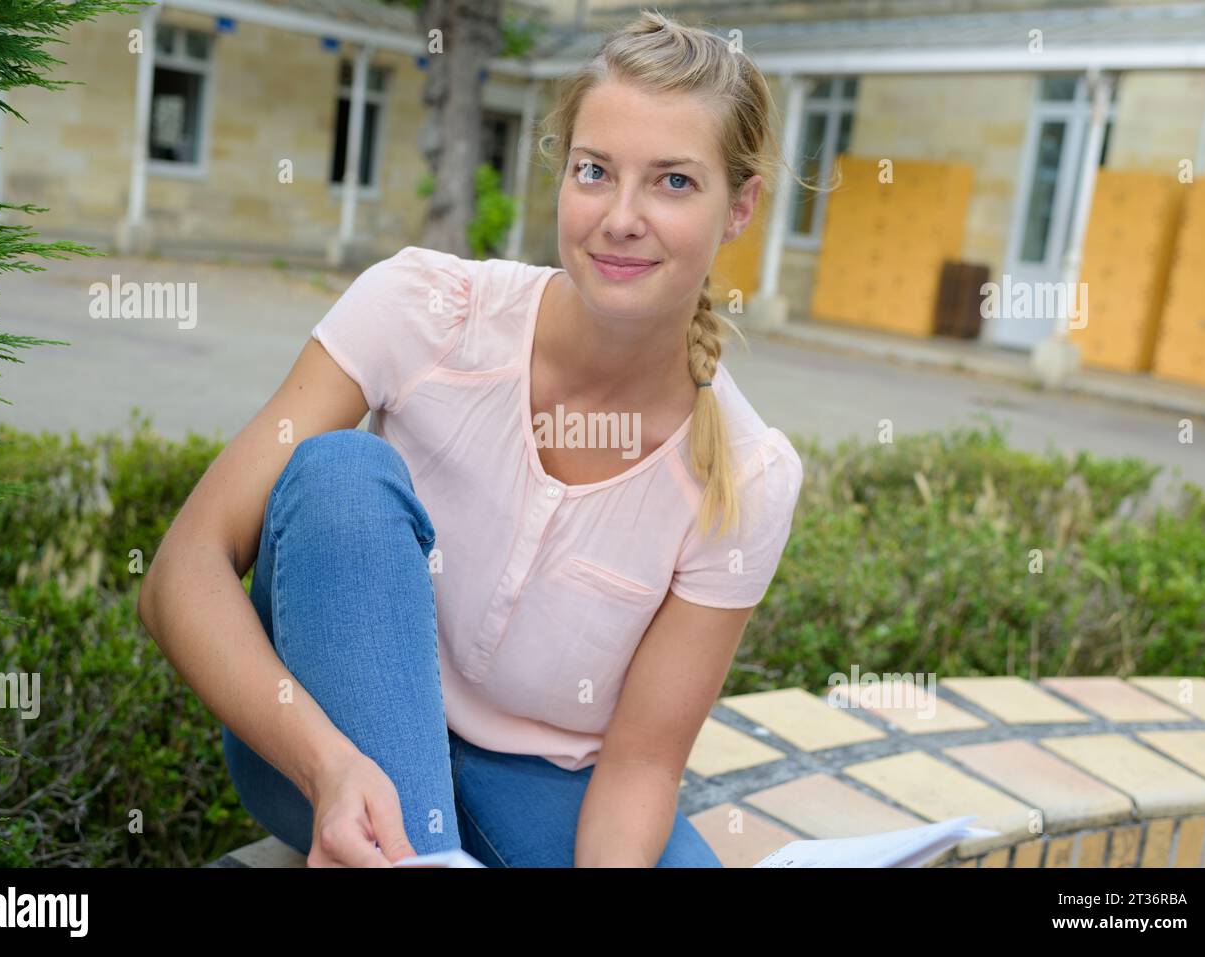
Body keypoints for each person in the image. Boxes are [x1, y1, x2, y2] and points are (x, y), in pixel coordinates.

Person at [138, 9, 808, 868]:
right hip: (326, 744)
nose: (621, 217)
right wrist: (330, 764)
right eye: (595, 171)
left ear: (740, 206)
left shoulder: (746, 476)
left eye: (673, 182)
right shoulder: (419, 310)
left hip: (542, 782)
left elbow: (641, 767)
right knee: (342, 471)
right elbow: (179, 573)